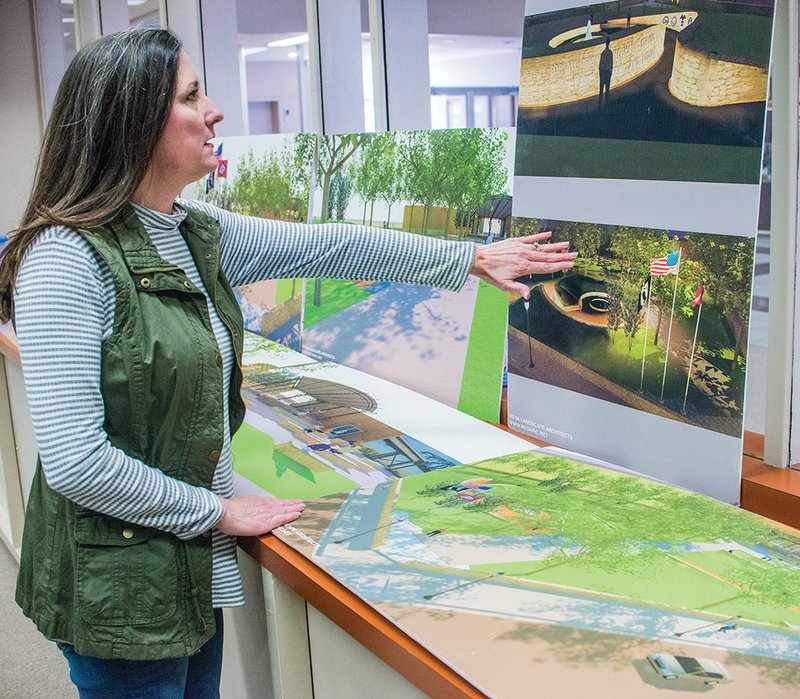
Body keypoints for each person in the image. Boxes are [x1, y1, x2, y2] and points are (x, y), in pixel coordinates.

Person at [0, 27, 576, 698]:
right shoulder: (66, 260)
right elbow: (77, 462)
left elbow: (327, 247)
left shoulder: (192, 231)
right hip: (119, 585)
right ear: (133, 125)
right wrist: (220, 512)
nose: (215, 111)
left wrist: (468, 259)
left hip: (176, 568)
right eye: (192, 96)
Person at [599, 35, 614, 106]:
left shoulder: (603, 52)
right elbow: (611, 63)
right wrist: (610, 71)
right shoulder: (610, 53)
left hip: (603, 71)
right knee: (607, 88)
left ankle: (600, 103)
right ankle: (606, 103)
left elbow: (600, 64)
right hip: (607, 71)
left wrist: (600, 71)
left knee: (601, 88)